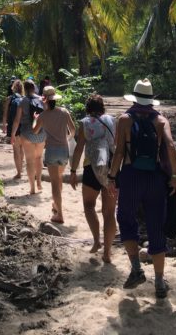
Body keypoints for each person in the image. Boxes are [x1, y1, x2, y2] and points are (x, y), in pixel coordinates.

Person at [107, 78, 176, 299]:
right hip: (155, 179)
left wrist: (112, 177)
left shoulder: (124, 120)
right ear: (151, 100)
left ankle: (137, 269)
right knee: (156, 227)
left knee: (126, 219)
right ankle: (159, 283)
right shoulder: (160, 120)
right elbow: (170, 146)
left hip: (130, 177)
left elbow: (119, 152)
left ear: (134, 97)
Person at [69, 94, 117, 261]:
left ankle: (97, 241)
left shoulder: (85, 123)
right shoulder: (112, 120)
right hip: (112, 168)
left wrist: (73, 170)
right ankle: (107, 253)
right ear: (102, 107)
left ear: (87, 108)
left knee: (89, 205)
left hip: (91, 168)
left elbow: (79, 148)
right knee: (109, 213)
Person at [32, 85, 76, 224]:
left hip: (51, 150)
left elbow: (34, 131)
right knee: (59, 178)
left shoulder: (43, 116)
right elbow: (73, 130)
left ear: (44, 99)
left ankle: (59, 214)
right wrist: (66, 139)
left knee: (55, 183)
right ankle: (56, 205)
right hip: (64, 150)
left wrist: (35, 118)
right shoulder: (64, 112)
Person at [11, 79, 46, 194]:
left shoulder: (23, 101)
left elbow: (16, 120)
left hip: (26, 134)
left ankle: (32, 188)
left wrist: (12, 134)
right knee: (39, 158)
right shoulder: (42, 99)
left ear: (25, 89)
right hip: (41, 134)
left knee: (30, 161)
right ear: (34, 87)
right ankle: (39, 182)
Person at [2, 78, 24, 179]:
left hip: (13, 126)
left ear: (13, 88)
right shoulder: (25, 99)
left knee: (16, 150)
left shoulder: (9, 99)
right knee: (21, 148)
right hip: (23, 127)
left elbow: (5, 114)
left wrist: (4, 126)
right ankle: (21, 170)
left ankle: (19, 172)